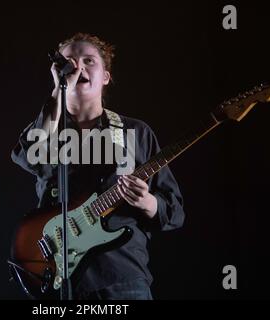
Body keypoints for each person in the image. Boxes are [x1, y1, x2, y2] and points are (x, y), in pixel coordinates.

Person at [11, 33, 185, 300]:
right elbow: (28, 156)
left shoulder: (135, 133)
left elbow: (174, 211)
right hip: (58, 278)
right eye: (69, 61)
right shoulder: (46, 131)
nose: (78, 67)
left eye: (89, 61)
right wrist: (59, 89)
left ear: (105, 76)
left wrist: (148, 202)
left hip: (120, 277)